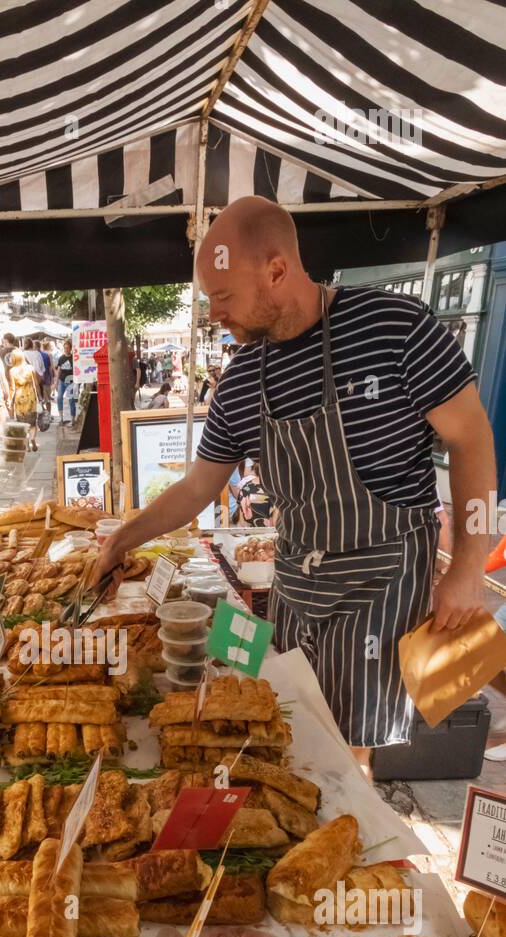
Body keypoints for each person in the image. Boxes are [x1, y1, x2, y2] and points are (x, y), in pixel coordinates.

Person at [97, 195, 495, 754]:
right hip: (296, 584)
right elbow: (197, 488)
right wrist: (120, 539)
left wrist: (470, 564)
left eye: (224, 297)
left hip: (381, 587)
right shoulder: (239, 382)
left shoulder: (395, 328)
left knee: (349, 748)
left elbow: (472, 436)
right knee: (287, 732)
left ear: (277, 269)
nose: (215, 314)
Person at [8, 348, 40, 452]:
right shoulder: (30, 368)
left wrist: (9, 400)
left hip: (19, 399)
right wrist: (40, 397)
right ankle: (33, 439)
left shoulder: (12, 371)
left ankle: (26, 444)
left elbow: (12, 388)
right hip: (30, 397)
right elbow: (36, 384)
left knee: (22, 423)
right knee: (32, 423)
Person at [55, 338, 74, 423]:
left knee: (71, 400)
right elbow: (59, 370)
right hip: (62, 381)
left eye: (68, 348)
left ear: (70, 348)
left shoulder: (73, 358)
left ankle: (73, 419)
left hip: (70, 381)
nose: (66, 349)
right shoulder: (61, 358)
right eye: (65, 348)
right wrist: (56, 382)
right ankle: (61, 418)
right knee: (59, 398)